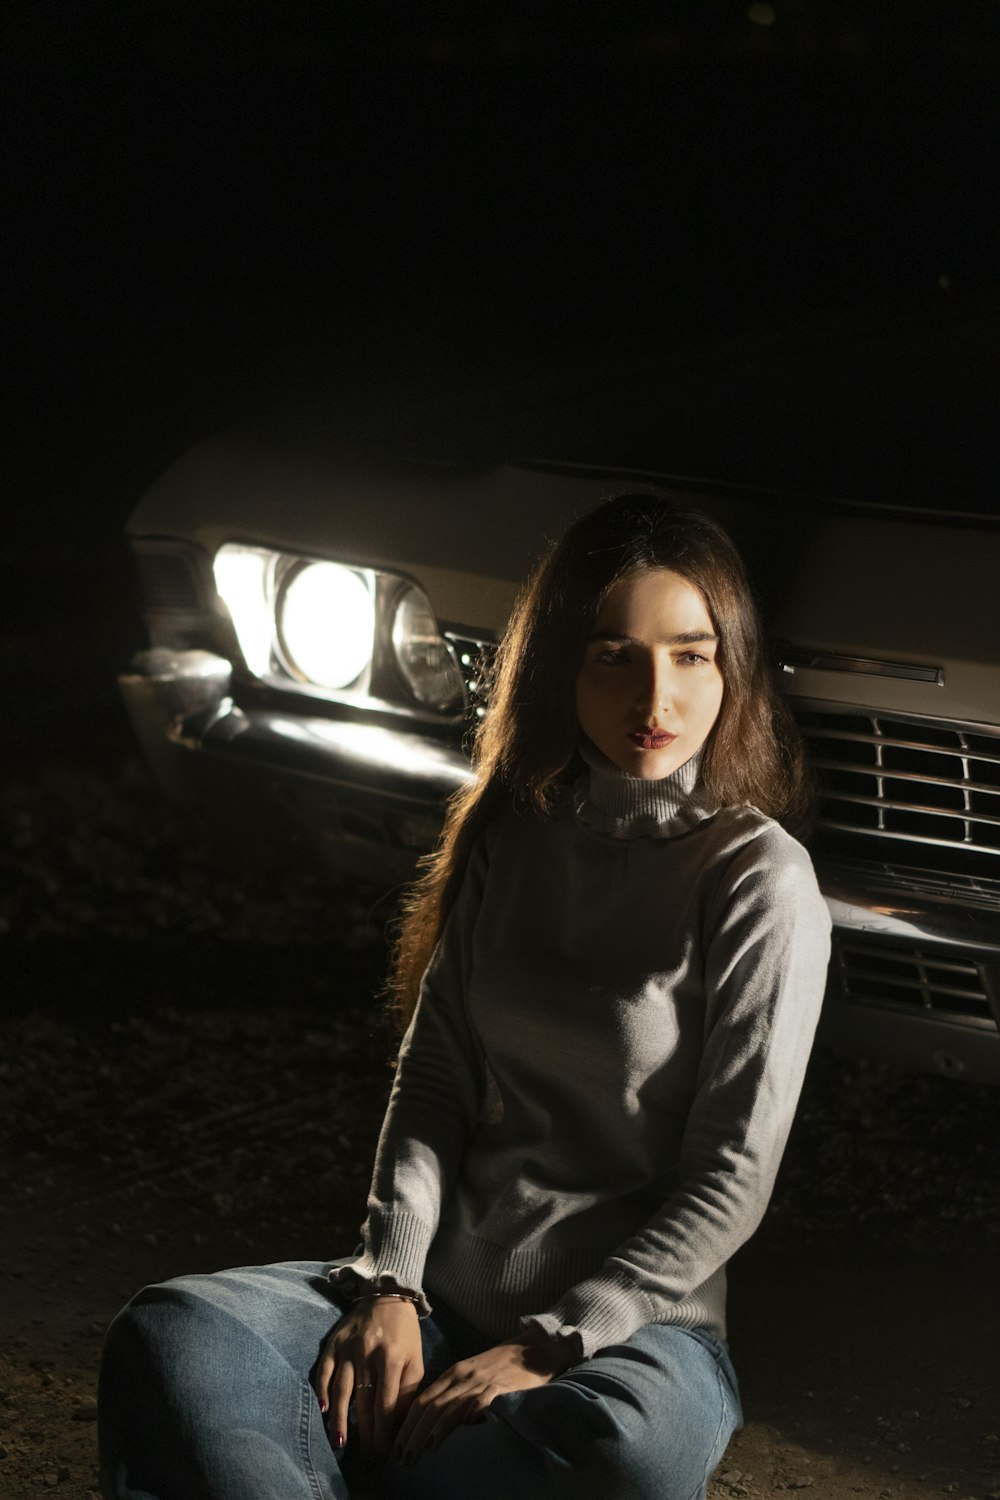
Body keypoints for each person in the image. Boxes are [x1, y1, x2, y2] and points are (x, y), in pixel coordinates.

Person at [98, 493, 832, 1500]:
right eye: (612, 654)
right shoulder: (514, 838)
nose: (652, 696)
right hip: (439, 1299)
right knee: (176, 1331)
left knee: (625, 1449)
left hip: (631, 1337)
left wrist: (552, 1345)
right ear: (558, 666)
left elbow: (732, 1174)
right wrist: (391, 1285)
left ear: (730, 664)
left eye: (691, 654)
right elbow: (435, 1076)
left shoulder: (756, 877)